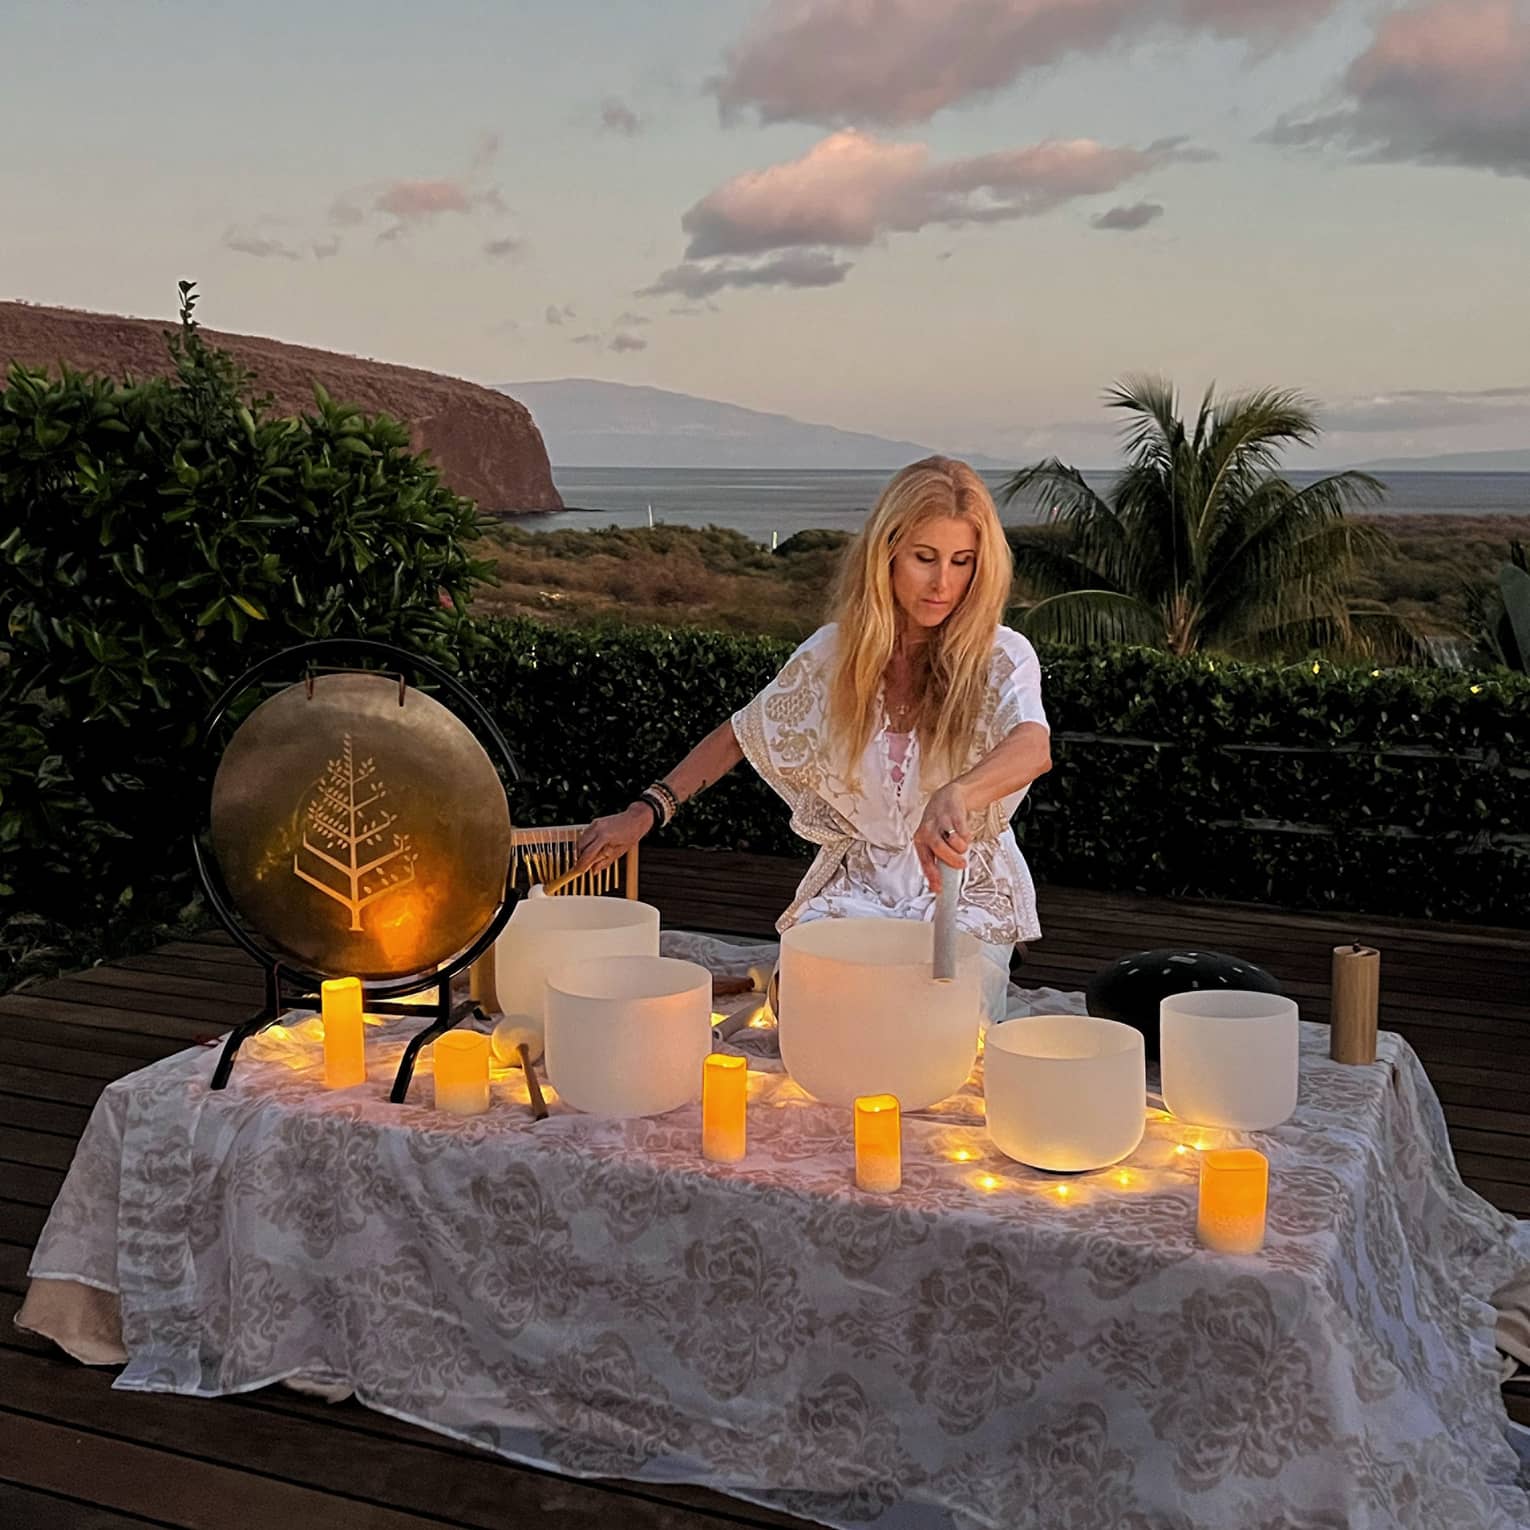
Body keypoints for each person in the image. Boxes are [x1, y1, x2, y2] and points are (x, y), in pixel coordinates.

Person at [572, 455, 1052, 1022]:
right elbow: (741, 734)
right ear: (888, 553)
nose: (943, 582)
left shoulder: (1002, 655)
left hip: (959, 887)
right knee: (809, 1012)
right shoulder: (834, 655)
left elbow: (1031, 745)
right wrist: (646, 811)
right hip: (861, 883)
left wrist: (959, 794)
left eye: (962, 561)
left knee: (931, 1024)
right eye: (925, 558)